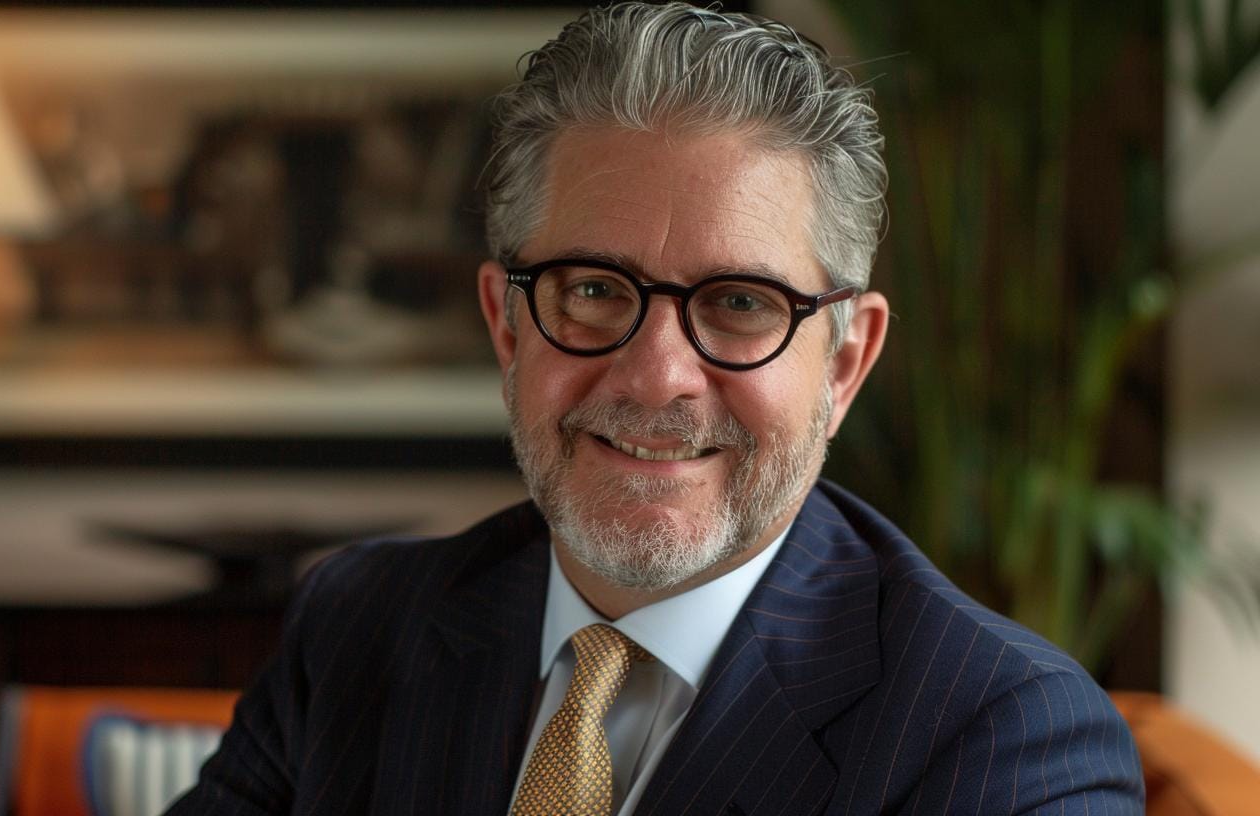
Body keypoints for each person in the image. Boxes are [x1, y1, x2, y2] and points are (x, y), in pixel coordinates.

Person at [167, 3, 1143, 813]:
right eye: (592, 289)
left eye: (740, 303)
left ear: (845, 362)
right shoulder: (359, 627)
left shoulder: (1006, 740)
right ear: (507, 330)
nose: (655, 376)